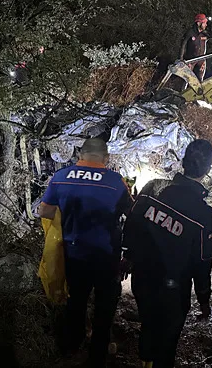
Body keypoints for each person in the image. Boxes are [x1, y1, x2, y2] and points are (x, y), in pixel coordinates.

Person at [38, 138, 133, 367]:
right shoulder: (116, 182)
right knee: (105, 304)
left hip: (74, 252)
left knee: (76, 300)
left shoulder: (60, 177)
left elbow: (45, 211)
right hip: (106, 255)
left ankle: (72, 344)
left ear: (80, 154)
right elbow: (131, 212)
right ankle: (97, 354)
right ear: (106, 158)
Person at [123, 139, 212, 368]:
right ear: (207, 170)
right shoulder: (204, 214)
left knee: (148, 323)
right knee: (167, 342)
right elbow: (203, 261)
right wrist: (204, 298)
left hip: (143, 279)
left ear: (183, 161)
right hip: (173, 291)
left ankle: (145, 361)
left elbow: (132, 225)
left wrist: (127, 257)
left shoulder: (153, 188)